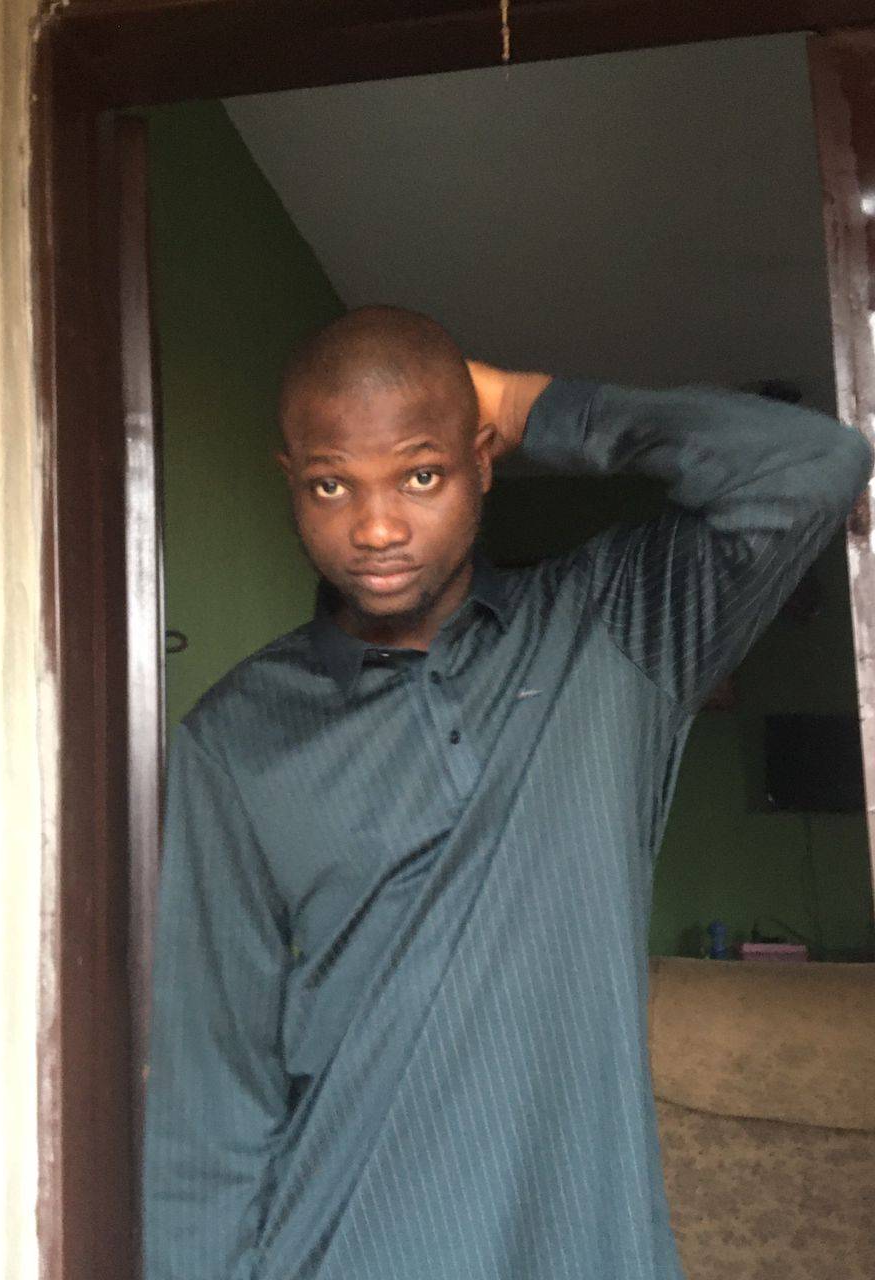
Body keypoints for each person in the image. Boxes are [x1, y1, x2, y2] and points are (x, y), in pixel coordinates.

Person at [142, 305, 873, 1280]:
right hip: (341, 1246)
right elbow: (207, 1090)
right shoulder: (239, 736)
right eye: (331, 483)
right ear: (291, 480)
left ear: (481, 460)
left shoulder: (616, 631)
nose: (376, 526)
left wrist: (535, 405)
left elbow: (815, 465)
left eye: (420, 473)